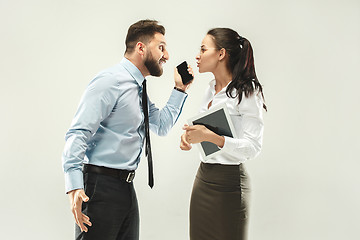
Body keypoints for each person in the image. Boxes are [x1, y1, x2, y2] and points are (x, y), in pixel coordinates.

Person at [62, 19, 192, 240]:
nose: (167, 56)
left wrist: (180, 89)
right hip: (99, 187)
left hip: (126, 189)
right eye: (161, 47)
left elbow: (160, 125)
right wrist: (74, 185)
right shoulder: (110, 81)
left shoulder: (138, 87)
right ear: (141, 48)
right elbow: (78, 132)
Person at [180, 28, 267, 240]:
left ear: (221, 54)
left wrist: (210, 137)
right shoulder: (210, 89)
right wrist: (190, 137)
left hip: (230, 185)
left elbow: (253, 147)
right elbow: (205, 132)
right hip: (203, 180)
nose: (197, 55)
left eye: (203, 49)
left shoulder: (248, 91)